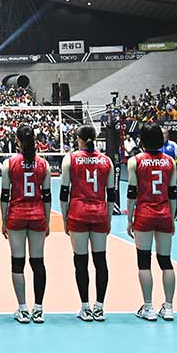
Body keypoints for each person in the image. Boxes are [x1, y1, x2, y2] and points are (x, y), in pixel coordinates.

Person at [60, 125, 114, 322]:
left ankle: (85, 307)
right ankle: (99, 307)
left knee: (80, 262)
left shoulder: (71, 159)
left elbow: (64, 192)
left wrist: (65, 217)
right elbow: (111, 193)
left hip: (78, 213)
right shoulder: (106, 161)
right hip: (99, 213)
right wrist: (108, 218)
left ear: (79, 139)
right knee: (101, 261)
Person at [126, 124, 177, 321]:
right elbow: (173, 194)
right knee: (166, 261)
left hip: (144, 214)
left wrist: (130, 219)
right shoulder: (170, 162)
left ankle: (148, 307)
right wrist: (171, 218)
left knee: (144, 262)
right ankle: (169, 307)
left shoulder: (135, 161)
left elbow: (132, 193)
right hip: (164, 212)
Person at [0, 124, 51, 324]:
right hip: (37, 214)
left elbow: (5, 195)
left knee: (18, 263)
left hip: (17, 215)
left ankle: (22, 308)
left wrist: (4, 220)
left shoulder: (9, 163)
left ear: (18, 141)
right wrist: (46, 220)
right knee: (38, 262)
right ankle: (38, 309)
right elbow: (47, 196)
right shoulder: (43, 164)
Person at [161, 128, 177, 220]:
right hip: (161, 174)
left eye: (166, 133)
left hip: (172, 174)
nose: (164, 135)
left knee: (174, 192)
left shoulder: (173, 145)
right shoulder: (157, 145)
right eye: (162, 134)